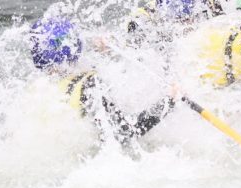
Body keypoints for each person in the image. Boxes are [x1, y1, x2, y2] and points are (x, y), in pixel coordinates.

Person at [29, 16, 176, 145]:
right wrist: (168, 102)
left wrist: (110, 49)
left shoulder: (35, 89)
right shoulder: (89, 85)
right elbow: (124, 134)